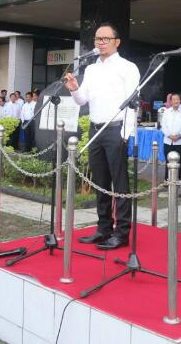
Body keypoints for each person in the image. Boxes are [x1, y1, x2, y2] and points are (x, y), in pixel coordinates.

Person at [66, 23, 140, 250]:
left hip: (116, 129)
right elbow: (82, 101)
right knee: (100, 181)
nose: (100, 42)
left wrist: (126, 133)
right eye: (98, 39)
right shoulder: (91, 69)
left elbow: (133, 103)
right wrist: (74, 88)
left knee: (119, 183)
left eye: (105, 38)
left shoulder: (128, 67)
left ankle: (122, 232)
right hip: (95, 128)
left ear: (117, 42)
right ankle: (103, 228)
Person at [160, 93, 181, 179]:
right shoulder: (167, 112)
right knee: (168, 162)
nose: (176, 101)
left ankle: (178, 180)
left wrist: (179, 136)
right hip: (168, 141)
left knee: (179, 162)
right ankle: (167, 180)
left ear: (180, 101)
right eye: (174, 99)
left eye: (177, 99)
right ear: (171, 101)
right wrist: (169, 136)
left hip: (180, 142)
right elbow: (163, 126)